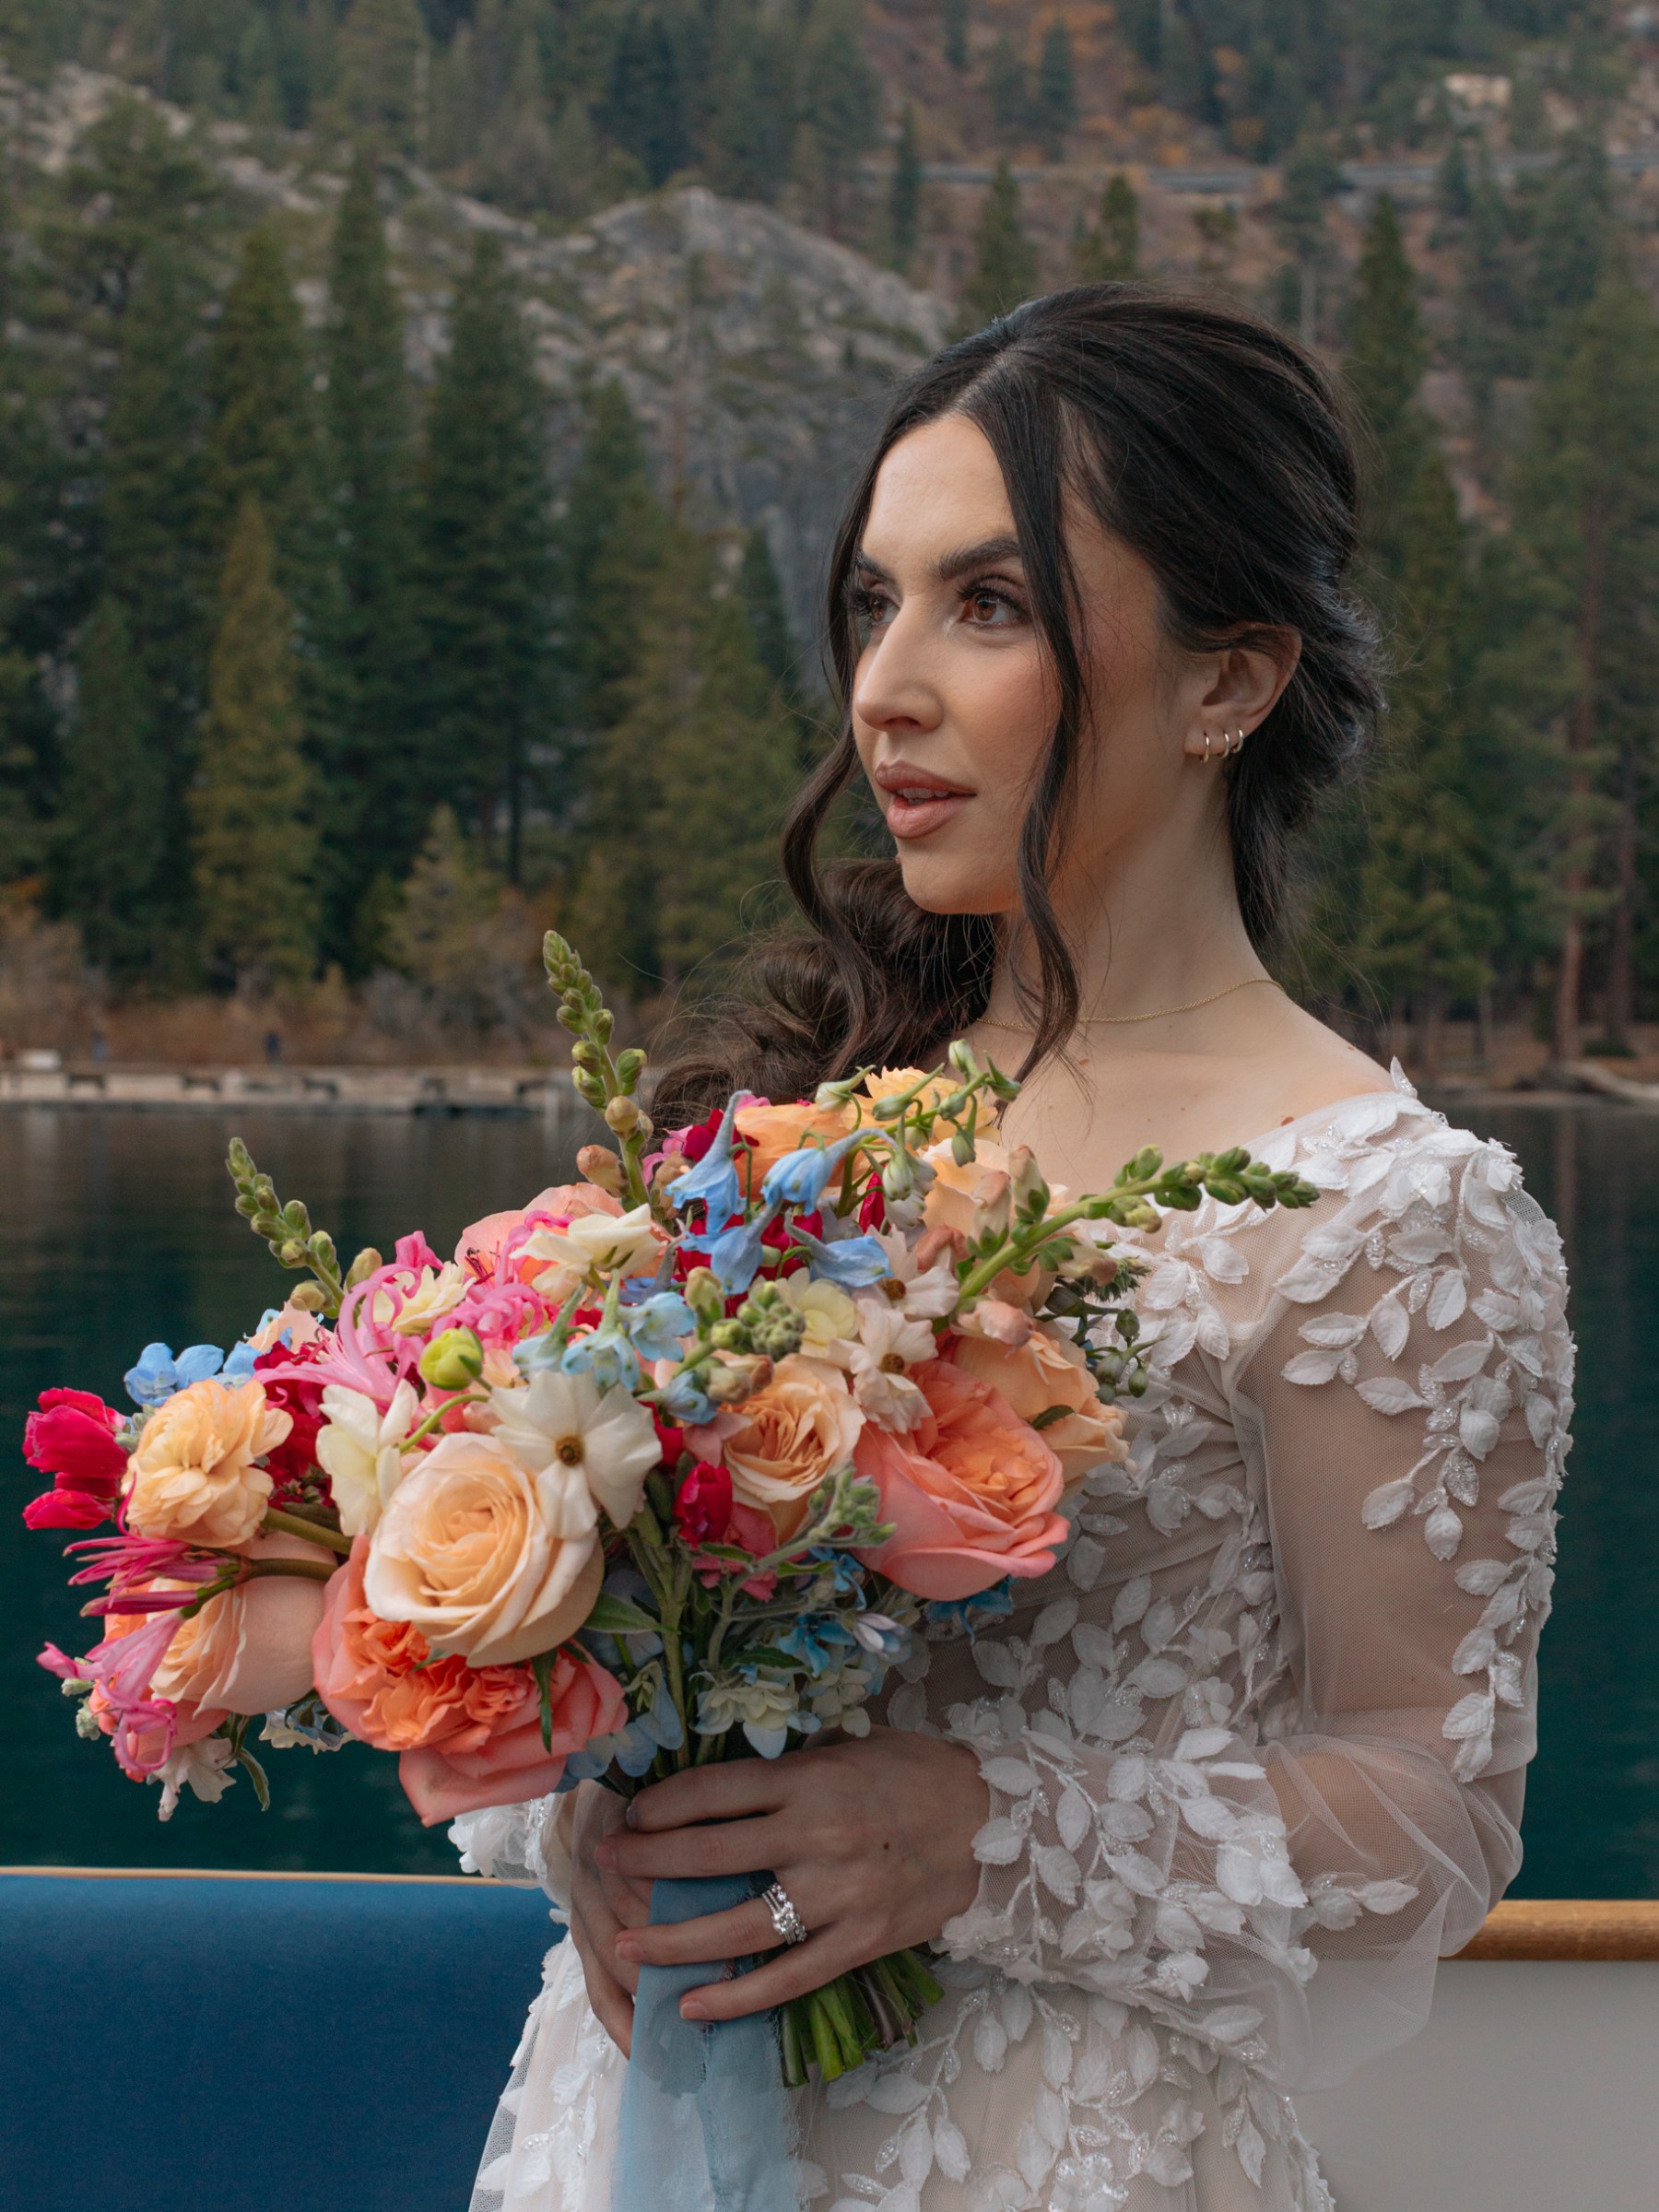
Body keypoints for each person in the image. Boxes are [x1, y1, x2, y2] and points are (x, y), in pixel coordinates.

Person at [455, 288, 1572, 2212]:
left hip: (1059, 2154)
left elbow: (1430, 1807)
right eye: (870, 604)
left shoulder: (1393, 1212)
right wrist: (607, 1837)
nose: (888, 685)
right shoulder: (782, 1139)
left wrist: (979, 1833)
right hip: (638, 2118)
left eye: (989, 606)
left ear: (1230, 682)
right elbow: (613, 1650)